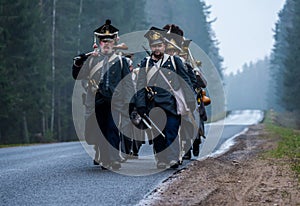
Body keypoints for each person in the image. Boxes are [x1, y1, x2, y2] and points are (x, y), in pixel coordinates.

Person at [72, 19, 134, 170]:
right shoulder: (92, 60)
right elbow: (78, 76)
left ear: (114, 42)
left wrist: (130, 103)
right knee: (100, 131)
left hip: (116, 102)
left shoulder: (121, 61)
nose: (106, 44)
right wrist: (78, 63)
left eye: (109, 41)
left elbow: (127, 84)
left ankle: (113, 160)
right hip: (96, 101)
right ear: (99, 43)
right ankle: (105, 159)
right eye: (103, 41)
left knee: (113, 129)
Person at [135, 27, 195, 169]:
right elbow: (141, 85)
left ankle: (173, 158)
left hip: (171, 103)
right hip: (153, 105)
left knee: (171, 131)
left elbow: (185, 81)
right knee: (157, 134)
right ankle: (161, 159)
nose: (157, 49)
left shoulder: (175, 61)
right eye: (154, 46)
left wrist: (190, 101)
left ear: (164, 45)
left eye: (159, 45)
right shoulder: (146, 63)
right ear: (150, 46)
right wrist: (140, 105)